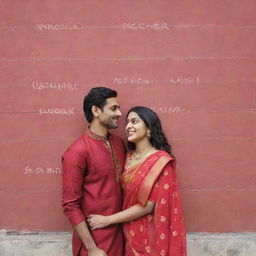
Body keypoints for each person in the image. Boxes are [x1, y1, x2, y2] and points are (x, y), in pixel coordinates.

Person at [87, 106, 186, 256]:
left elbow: (147, 206)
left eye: (134, 121)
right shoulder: (128, 157)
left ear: (149, 129)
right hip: (127, 234)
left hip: (150, 237)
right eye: (127, 122)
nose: (128, 126)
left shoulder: (161, 163)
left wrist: (107, 220)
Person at [62, 87, 126, 256]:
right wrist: (92, 249)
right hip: (96, 242)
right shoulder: (77, 151)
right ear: (96, 110)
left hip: (121, 236)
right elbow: (70, 205)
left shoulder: (119, 143)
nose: (119, 113)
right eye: (113, 108)